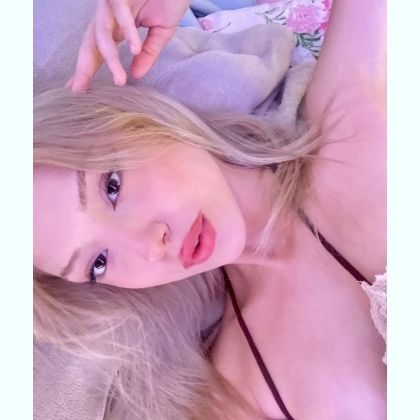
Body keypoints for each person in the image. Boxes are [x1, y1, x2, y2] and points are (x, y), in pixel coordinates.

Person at [34, 0, 387, 419]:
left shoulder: (350, 118)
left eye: (112, 187)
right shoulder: (237, 387)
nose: (151, 246)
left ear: (136, 121)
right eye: (98, 263)